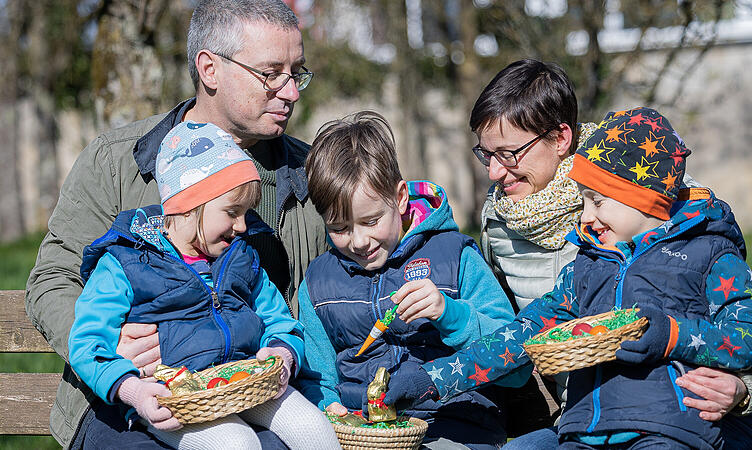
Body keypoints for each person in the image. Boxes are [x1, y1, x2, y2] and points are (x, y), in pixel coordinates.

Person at [379, 107, 752, 449]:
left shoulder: (708, 253)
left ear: (645, 199)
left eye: (598, 201)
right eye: (584, 200)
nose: (586, 216)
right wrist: (431, 380)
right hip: (587, 432)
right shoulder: (588, 266)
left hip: (672, 429)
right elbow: (520, 336)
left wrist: (672, 336)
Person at [25, 1, 328, 448]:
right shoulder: (116, 161)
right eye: (271, 74)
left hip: (259, 387)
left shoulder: (316, 172)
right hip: (128, 405)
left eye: (296, 72)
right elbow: (53, 277)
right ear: (210, 69)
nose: (291, 91)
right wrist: (114, 351)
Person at [470, 59, 752, 441]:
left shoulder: (655, 192)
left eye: (508, 153)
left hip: (681, 416)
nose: (494, 172)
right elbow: (510, 332)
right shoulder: (497, 221)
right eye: (485, 154)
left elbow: (740, 316)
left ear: (561, 138)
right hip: (585, 420)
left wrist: (743, 389)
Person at [68, 122, 339, 449]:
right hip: (174, 399)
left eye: (245, 213)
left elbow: (277, 318)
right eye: (232, 213)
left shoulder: (240, 257)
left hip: (242, 384)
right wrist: (133, 391)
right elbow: (87, 343)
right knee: (236, 443)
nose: (242, 226)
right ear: (188, 205)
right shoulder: (127, 263)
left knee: (314, 428)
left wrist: (281, 352)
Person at [295, 111, 521, 449]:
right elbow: (318, 377)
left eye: (371, 221)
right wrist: (328, 409)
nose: (358, 241)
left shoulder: (454, 256)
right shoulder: (318, 283)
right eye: (339, 229)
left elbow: (516, 365)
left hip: (455, 425)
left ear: (400, 198)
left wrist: (451, 315)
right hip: (364, 437)